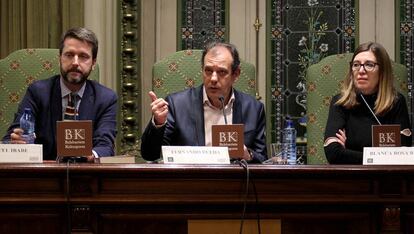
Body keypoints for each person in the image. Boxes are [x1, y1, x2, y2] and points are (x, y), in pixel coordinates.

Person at [2, 27, 117, 161]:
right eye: (69, 55)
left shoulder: (106, 98)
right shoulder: (38, 92)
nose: (75, 62)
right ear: (59, 59)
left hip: (86, 176)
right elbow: (13, 134)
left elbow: (106, 146)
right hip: (43, 176)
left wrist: (91, 154)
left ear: (93, 63)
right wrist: (18, 142)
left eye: (83, 56)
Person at [141, 42, 266, 163]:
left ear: (236, 74)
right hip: (191, 179)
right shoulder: (176, 105)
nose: (213, 78)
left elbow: (262, 158)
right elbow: (150, 155)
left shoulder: (254, 109)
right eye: (208, 71)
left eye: (222, 72)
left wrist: (247, 155)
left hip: (234, 181)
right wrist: (158, 123)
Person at [324, 42, 412, 164]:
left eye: (369, 65)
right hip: (350, 177)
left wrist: (348, 153)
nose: (361, 70)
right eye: (356, 65)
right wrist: (381, 156)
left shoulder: (396, 102)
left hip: (387, 179)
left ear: (382, 71)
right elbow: (333, 153)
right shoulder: (340, 102)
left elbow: (403, 155)